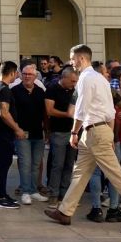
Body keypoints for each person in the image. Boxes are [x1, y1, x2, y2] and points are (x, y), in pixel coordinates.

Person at [45, 44, 121, 234]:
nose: (71, 62)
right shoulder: (101, 79)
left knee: (116, 175)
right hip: (96, 131)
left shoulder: (86, 78)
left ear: (80, 58)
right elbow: (110, 111)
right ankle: (65, 211)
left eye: (72, 58)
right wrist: (108, 134)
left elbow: (81, 108)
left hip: (93, 132)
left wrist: (74, 132)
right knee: (80, 173)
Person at [13, 64, 48, 205]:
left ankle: (33, 190)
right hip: (22, 133)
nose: (27, 76)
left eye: (30, 74)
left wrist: (47, 131)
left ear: (35, 76)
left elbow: (45, 113)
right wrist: (15, 129)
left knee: (35, 164)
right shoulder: (15, 91)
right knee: (25, 163)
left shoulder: (40, 91)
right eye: (25, 74)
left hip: (38, 133)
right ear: (21, 75)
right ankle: (26, 191)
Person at [0, 61, 22, 209]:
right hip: (3, 132)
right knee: (4, 163)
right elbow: (4, 112)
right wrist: (17, 128)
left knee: (4, 163)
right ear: (12, 73)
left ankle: (2, 193)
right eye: (17, 73)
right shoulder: (4, 89)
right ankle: (0, 197)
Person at [45, 67, 78, 204]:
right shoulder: (52, 89)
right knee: (57, 164)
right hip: (58, 131)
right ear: (63, 78)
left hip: (73, 131)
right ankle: (53, 192)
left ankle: (64, 193)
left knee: (69, 163)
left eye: (76, 81)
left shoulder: (75, 91)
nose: (74, 84)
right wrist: (67, 115)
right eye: (72, 81)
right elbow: (49, 110)